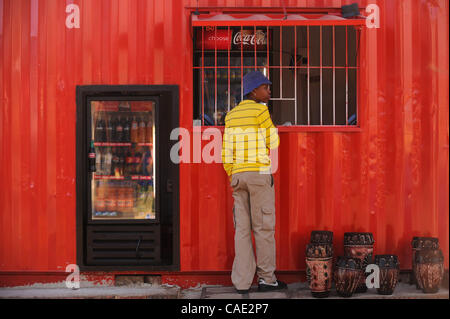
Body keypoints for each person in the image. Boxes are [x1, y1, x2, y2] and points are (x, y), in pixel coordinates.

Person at [221, 71, 287, 294]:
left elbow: (226, 152)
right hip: (258, 174)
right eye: (265, 87)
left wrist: (233, 174)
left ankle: (242, 282)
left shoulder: (230, 115)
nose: (269, 91)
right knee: (263, 228)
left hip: (238, 176)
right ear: (253, 91)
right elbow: (273, 140)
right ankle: (267, 279)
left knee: (242, 230)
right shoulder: (260, 110)